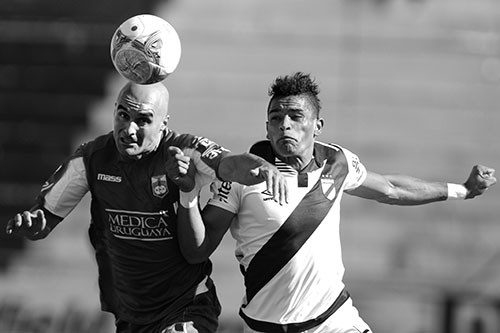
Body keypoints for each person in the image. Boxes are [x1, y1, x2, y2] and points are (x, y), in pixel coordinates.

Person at [175, 72, 497, 333]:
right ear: (267, 127)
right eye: (276, 117)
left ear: (317, 126)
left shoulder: (337, 162)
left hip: (334, 322)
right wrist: (188, 194)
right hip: (265, 327)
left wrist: (462, 190)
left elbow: (390, 188)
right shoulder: (242, 174)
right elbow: (196, 250)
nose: (284, 124)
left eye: (295, 116)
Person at [5, 81, 287, 333]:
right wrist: (34, 223)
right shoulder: (92, 159)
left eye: (143, 120)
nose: (129, 129)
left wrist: (262, 166)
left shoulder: (183, 150)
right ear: (114, 111)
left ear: (164, 123)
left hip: (186, 306)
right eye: (123, 115)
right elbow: (43, 221)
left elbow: (230, 163)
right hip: (130, 314)